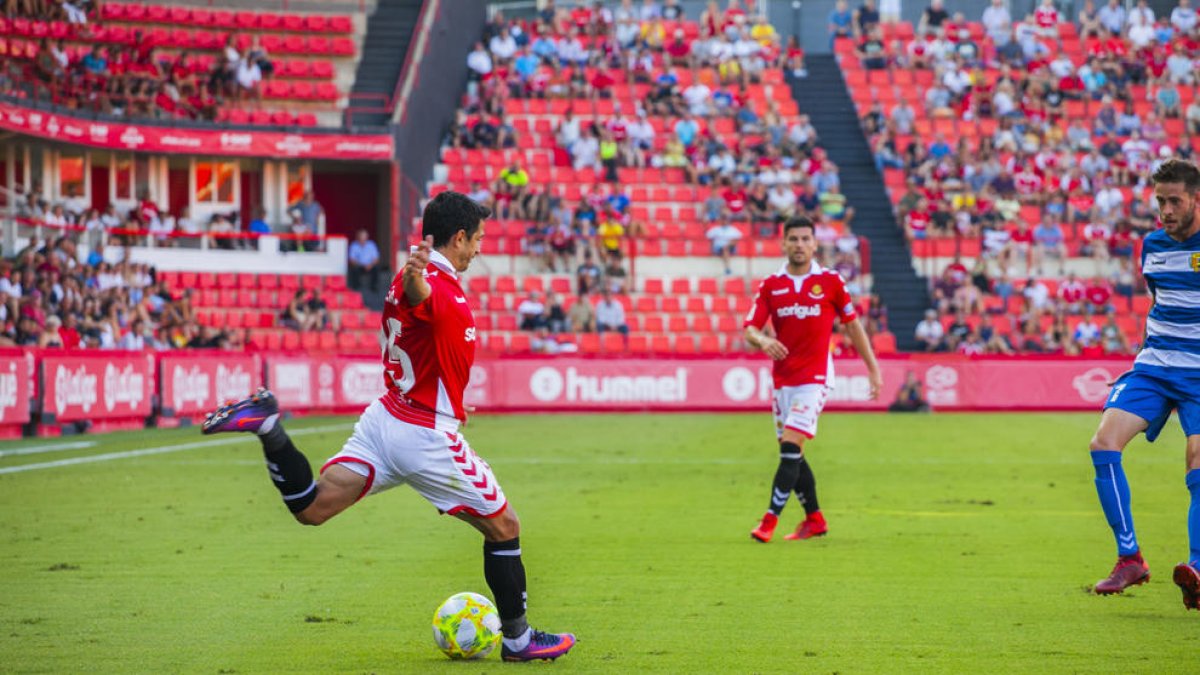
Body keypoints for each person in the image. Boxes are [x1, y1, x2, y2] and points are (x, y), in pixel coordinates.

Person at [200, 191, 576, 660]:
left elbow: (425, 335)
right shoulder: (428, 281)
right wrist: (419, 279)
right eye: (476, 239)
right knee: (504, 526)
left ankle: (269, 426)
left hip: (388, 418)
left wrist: (453, 398)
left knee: (313, 507)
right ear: (458, 237)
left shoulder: (417, 274)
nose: (479, 249)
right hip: (422, 433)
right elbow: (422, 299)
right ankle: (518, 640)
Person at [1086, 159, 1200, 612]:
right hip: (1154, 366)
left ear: (1195, 199)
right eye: (1160, 202)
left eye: (1175, 201)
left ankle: (1197, 567)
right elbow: (1162, 303)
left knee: (1197, 457)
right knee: (1102, 444)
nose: (1166, 210)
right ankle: (1130, 558)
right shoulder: (1151, 246)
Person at [745, 216, 883, 543]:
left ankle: (768, 521)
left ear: (815, 244)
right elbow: (750, 327)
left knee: (791, 445)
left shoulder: (831, 282)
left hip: (815, 378)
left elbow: (852, 326)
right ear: (783, 243)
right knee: (792, 453)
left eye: (806, 239)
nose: (799, 245)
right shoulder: (771, 285)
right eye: (793, 239)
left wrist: (873, 368)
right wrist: (763, 341)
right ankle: (815, 520)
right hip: (783, 381)